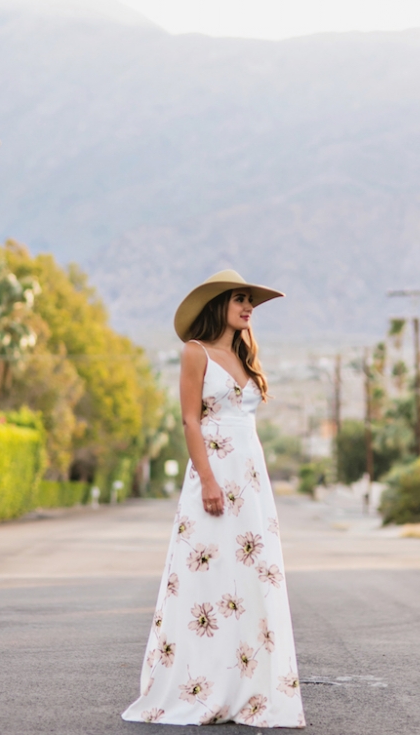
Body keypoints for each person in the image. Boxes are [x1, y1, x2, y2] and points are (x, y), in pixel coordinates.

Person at [122, 269, 306, 728]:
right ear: (217, 305)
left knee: (247, 578)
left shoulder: (245, 357)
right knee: (207, 576)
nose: (247, 308)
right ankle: (199, 685)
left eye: (250, 301)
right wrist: (207, 479)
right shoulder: (195, 353)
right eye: (239, 299)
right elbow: (190, 421)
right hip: (214, 473)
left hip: (251, 480)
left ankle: (248, 685)